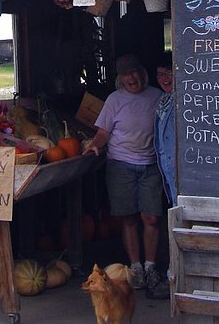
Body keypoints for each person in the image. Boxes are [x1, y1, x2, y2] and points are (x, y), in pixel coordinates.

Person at [83, 54, 165, 296]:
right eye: (126, 75)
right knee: (128, 218)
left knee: (151, 217)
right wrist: (95, 144)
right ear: (121, 79)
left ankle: (151, 267)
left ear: (143, 73)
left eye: (135, 72)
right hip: (121, 165)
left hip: (150, 165)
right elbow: (103, 132)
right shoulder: (114, 100)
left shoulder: (156, 97)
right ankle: (136, 268)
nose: (132, 78)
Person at [154, 51, 177, 206]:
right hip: (167, 168)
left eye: (169, 73)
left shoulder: (187, 98)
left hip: (181, 170)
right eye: (160, 74)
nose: (164, 79)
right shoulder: (162, 101)